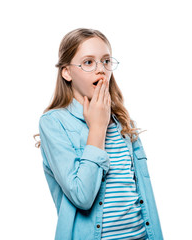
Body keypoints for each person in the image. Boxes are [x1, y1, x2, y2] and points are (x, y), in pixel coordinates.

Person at [34, 28, 163, 240]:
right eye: (88, 62)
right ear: (66, 72)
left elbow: (145, 197)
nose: (100, 69)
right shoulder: (53, 124)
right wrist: (97, 128)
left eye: (105, 61)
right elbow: (82, 197)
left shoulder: (124, 122)